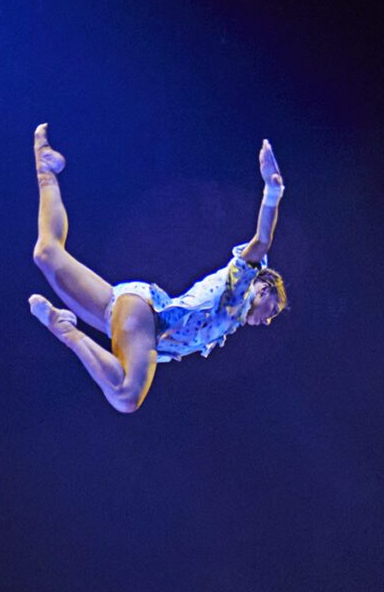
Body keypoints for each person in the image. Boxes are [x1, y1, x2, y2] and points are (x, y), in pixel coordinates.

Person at [28, 126, 287, 414]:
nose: (267, 321)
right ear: (262, 290)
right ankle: (63, 328)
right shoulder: (241, 287)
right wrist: (273, 191)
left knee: (46, 253)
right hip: (145, 317)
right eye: (272, 310)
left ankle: (45, 168)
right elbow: (262, 241)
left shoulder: (232, 318)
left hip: (127, 312)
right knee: (126, 397)